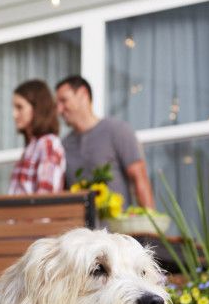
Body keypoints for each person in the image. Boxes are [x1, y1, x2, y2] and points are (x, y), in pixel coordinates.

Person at [55, 75, 155, 209]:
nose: (59, 110)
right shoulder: (63, 146)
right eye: (57, 104)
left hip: (116, 228)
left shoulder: (116, 130)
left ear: (83, 94)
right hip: (80, 229)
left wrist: (150, 227)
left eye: (64, 101)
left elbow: (139, 178)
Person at [8, 79, 66, 194]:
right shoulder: (31, 147)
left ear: (37, 108)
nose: (14, 114)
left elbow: (45, 198)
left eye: (19, 107)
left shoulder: (48, 144)